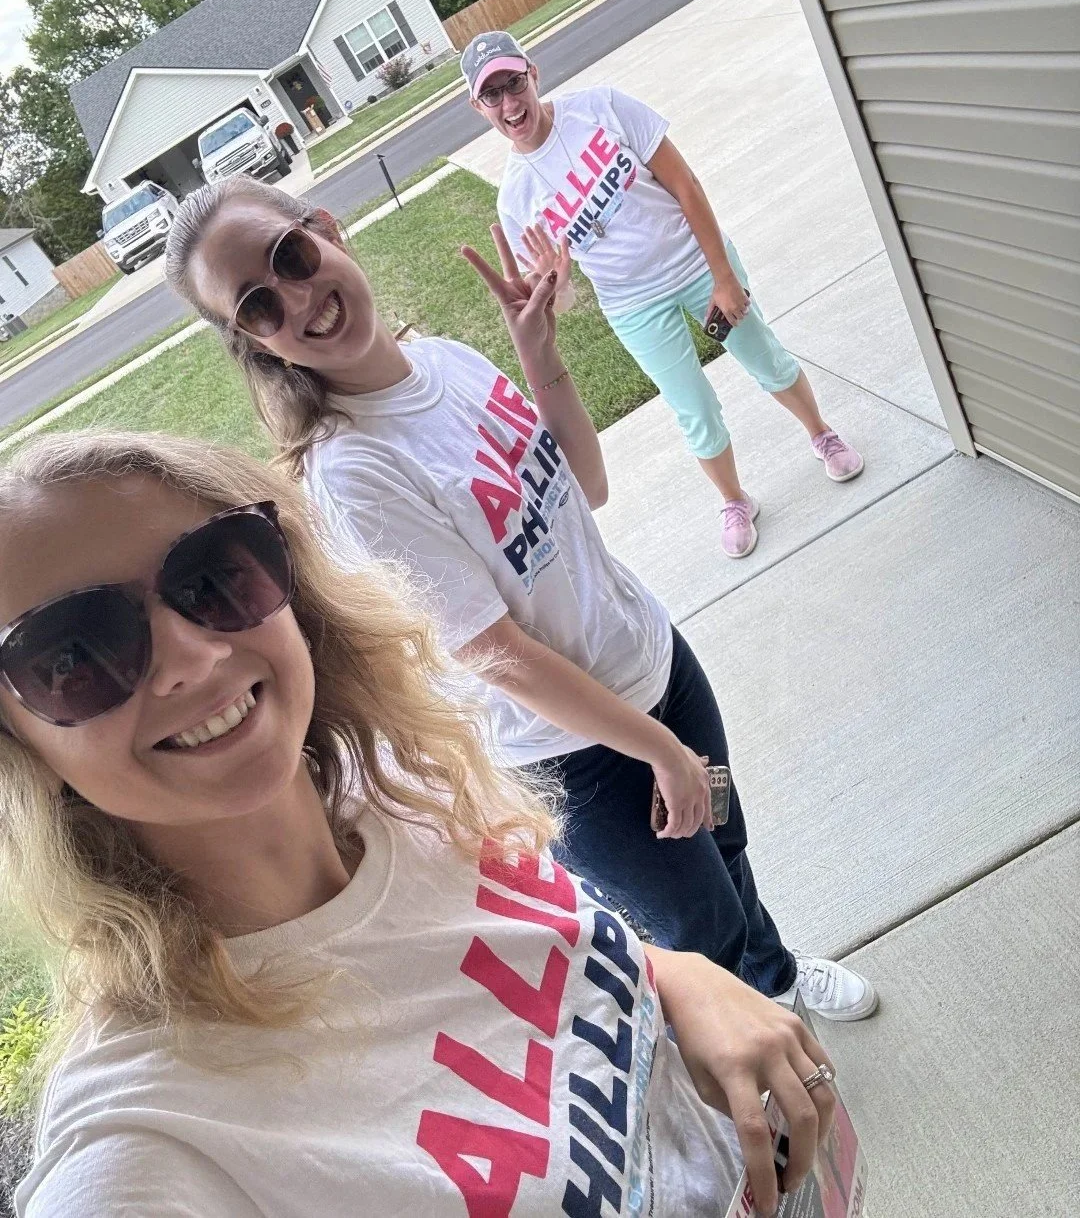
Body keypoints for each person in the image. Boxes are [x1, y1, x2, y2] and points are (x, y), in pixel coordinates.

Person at [0, 429, 843, 1217]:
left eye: (213, 575)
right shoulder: (149, 1148)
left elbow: (546, 956)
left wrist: (674, 979)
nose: (193, 656)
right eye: (71, 652)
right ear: (19, 746)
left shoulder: (405, 793)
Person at [161, 177, 878, 1026]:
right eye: (258, 306)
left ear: (327, 229)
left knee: (726, 840)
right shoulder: (354, 471)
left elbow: (587, 484)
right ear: (254, 342)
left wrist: (535, 351)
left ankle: (778, 975)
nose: (297, 299)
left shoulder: (442, 362)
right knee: (695, 928)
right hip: (586, 750)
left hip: (650, 658)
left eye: (292, 256)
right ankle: (755, 1055)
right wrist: (659, 752)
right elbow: (494, 653)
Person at [461, 31, 866, 560]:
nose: (510, 103)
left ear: (532, 74)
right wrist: (554, 286)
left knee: (763, 355)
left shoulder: (601, 107)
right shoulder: (515, 198)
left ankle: (822, 434)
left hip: (698, 264)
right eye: (493, 95)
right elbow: (563, 306)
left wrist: (722, 276)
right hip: (634, 307)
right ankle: (735, 501)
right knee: (692, 407)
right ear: (479, 106)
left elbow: (686, 184)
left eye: (514, 83)